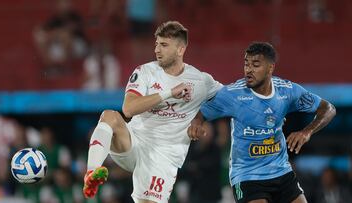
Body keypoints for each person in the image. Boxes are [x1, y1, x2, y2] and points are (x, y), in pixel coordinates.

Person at [83, 21, 222, 203]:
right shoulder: (145, 72)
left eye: (164, 45)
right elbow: (128, 108)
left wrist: (199, 118)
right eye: (156, 44)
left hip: (163, 156)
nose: (157, 49)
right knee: (109, 116)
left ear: (180, 50)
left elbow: (226, 99)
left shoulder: (200, 81)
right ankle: (91, 172)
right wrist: (169, 93)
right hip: (134, 142)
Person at [188, 42, 336, 203]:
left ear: (270, 68)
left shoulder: (287, 91)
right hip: (247, 176)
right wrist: (196, 123)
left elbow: (328, 109)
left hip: (281, 172)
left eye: (255, 65)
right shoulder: (233, 94)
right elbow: (201, 113)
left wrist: (307, 131)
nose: (248, 70)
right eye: (246, 64)